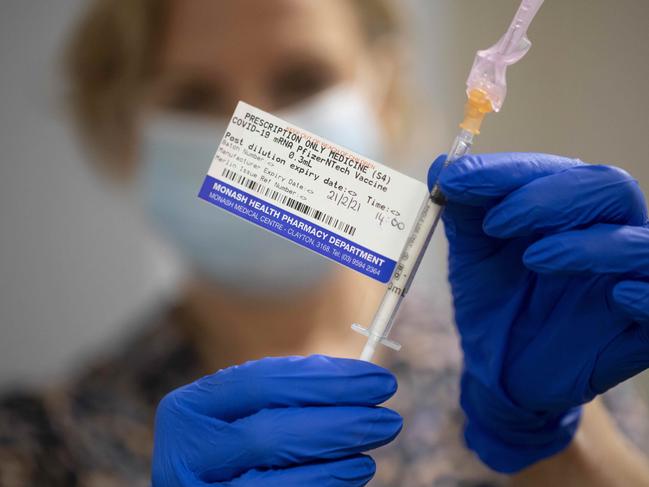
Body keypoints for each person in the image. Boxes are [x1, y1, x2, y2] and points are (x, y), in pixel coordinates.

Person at [1, 0, 649, 486]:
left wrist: (558, 445)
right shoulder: (46, 443)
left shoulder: (532, 369)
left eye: (300, 79)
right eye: (194, 96)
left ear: (387, 94)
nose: (250, 127)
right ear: (119, 132)